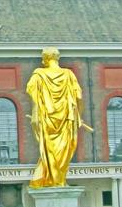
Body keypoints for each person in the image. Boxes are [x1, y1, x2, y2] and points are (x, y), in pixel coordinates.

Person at [26, 46, 83, 188]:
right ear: (57, 58)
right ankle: (59, 181)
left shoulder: (38, 75)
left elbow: (33, 95)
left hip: (47, 120)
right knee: (65, 150)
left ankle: (55, 181)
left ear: (45, 58)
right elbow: (79, 97)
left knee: (50, 150)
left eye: (42, 57)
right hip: (66, 119)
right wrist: (79, 117)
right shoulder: (69, 75)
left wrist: (34, 115)